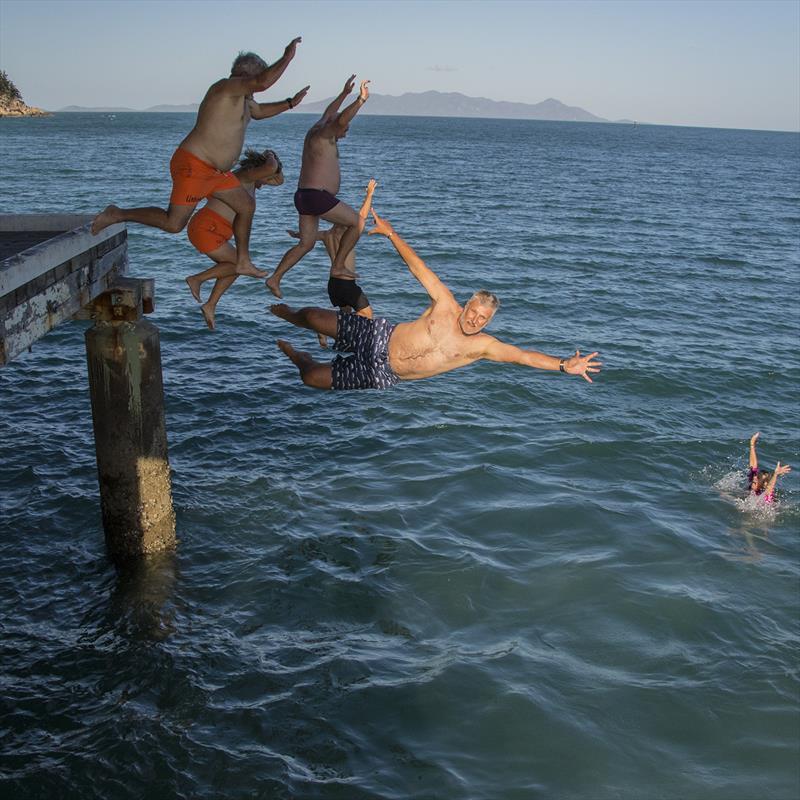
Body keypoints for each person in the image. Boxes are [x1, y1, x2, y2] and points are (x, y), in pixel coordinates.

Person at [270, 210, 602, 390]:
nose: (476, 320)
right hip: (379, 336)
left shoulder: (482, 346)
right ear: (468, 305)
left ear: (488, 322)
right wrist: (391, 234)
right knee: (314, 317)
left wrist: (561, 364)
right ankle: (288, 314)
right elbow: (419, 268)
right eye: (475, 312)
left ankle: (296, 355)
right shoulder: (445, 304)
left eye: (483, 319)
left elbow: (522, 357)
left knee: (312, 378)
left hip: (383, 374)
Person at [91, 40, 308, 278]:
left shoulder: (245, 101)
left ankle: (243, 261)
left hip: (215, 173)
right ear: (245, 74)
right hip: (195, 164)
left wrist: (290, 104)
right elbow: (263, 82)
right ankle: (117, 214)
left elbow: (261, 112)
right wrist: (287, 57)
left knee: (246, 205)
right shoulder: (225, 88)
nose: (256, 90)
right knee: (174, 224)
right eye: (255, 79)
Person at [265, 74, 370, 298]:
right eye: (346, 128)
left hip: (303, 196)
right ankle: (339, 265)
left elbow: (331, 113)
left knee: (306, 243)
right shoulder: (326, 133)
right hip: (316, 196)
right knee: (357, 223)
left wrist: (343, 93)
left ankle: (275, 278)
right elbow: (340, 120)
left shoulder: (318, 127)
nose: (346, 131)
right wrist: (360, 100)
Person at [185, 148, 284, 330]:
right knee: (238, 264)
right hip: (206, 227)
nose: (267, 183)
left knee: (237, 266)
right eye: (265, 177)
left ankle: (210, 305)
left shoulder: (251, 184)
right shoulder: (243, 177)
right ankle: (197, 279)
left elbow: (279, 180)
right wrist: (270, 156)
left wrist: (274, 161)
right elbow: (271, 169)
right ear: (257, 169)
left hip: (214, 230)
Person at [285, 178, 377, 347]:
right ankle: (322, 326)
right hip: (347, 283)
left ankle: (341, 340)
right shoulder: (346, 232)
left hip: (333, 285)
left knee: (345, 316)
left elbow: (306, 235)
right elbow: (361, 216)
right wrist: (370, 194)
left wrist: (297, 234)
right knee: (367, 316)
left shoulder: (326, 235)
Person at [747, 432, 791, 503]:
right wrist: (752, 444)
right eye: (757, 475)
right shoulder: (754, 483)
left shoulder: (766, 496)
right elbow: (753, 466)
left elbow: (769, 488)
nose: (755, 477)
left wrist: (775, 474)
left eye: (759, 477)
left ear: (764, 484)